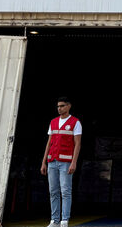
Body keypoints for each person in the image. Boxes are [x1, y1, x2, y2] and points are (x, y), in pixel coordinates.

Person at [40, 97, 82, 227]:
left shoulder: (75, 122)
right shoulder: (53, 122)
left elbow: (78, 144)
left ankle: (64, 220)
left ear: (69, 106)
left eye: (62, 106)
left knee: (65, 191)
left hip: (66, 162)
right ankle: (54, 220)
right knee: (53, 191)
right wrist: (43, 162)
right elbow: (49, 143)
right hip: (52, 161)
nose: (59, 108)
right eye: (58, 106)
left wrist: (74, 162)